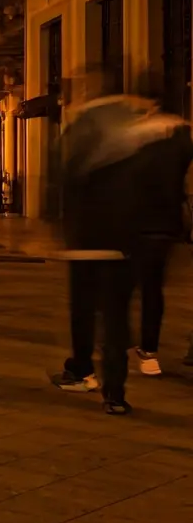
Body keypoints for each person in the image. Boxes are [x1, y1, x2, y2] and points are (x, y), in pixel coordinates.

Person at [50, 95, 189, 415]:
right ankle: (115, 395)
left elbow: (63, 192)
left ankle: (81, 372)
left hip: (85, 246)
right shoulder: (136, 153)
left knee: (84, 313)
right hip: (120, 247)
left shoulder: (79, 155)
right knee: (115, 319)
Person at [128, 114, 193, 376]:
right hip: (164, 227)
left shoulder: (132, 145)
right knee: (153, 290)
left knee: (120, 289)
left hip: (134, 227)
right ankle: (149, 352)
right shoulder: (178, 146)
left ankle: (123, 346)